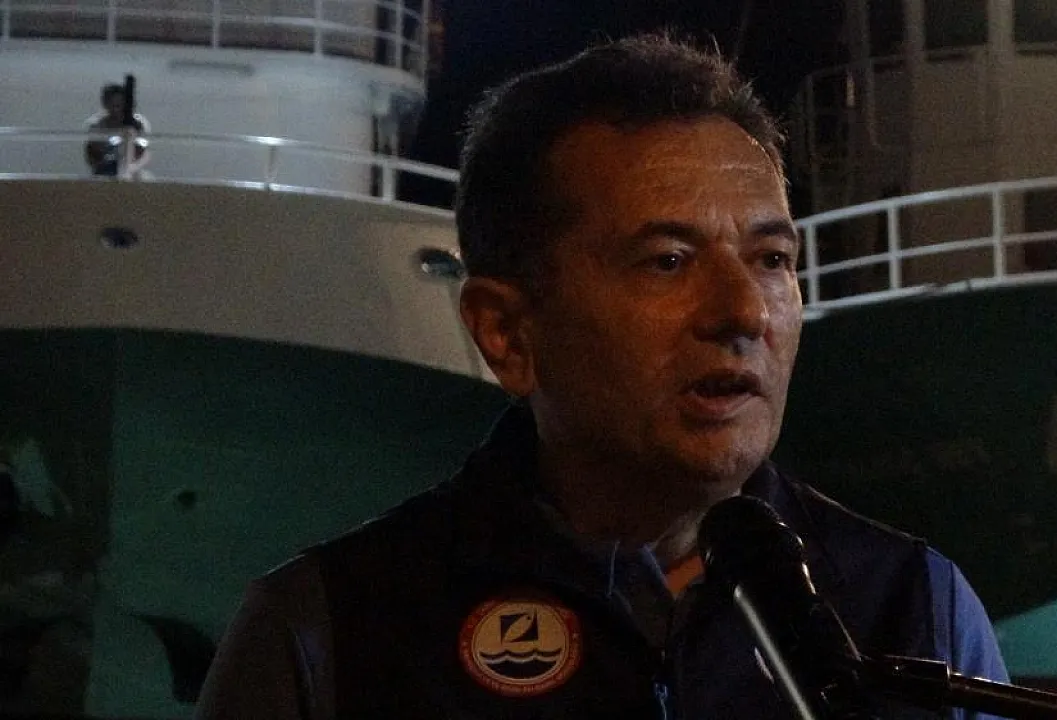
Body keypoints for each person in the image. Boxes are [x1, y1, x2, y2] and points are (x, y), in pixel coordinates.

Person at [194, 34, 1008, 719]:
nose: (742, 312)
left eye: (770, 259)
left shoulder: (914, 609)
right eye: (668, 261)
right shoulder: (332, 635)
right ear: (506, 332)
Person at [83, 83, 151, 180]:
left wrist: (130, 168)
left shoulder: (139, 123)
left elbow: (144, 153)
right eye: (113, 105)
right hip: (103, 172)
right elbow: (91, 153)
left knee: (145, 179)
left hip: (132, 171)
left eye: (120, 105)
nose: (116, 110)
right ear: (105, 104)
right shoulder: (95, 124)